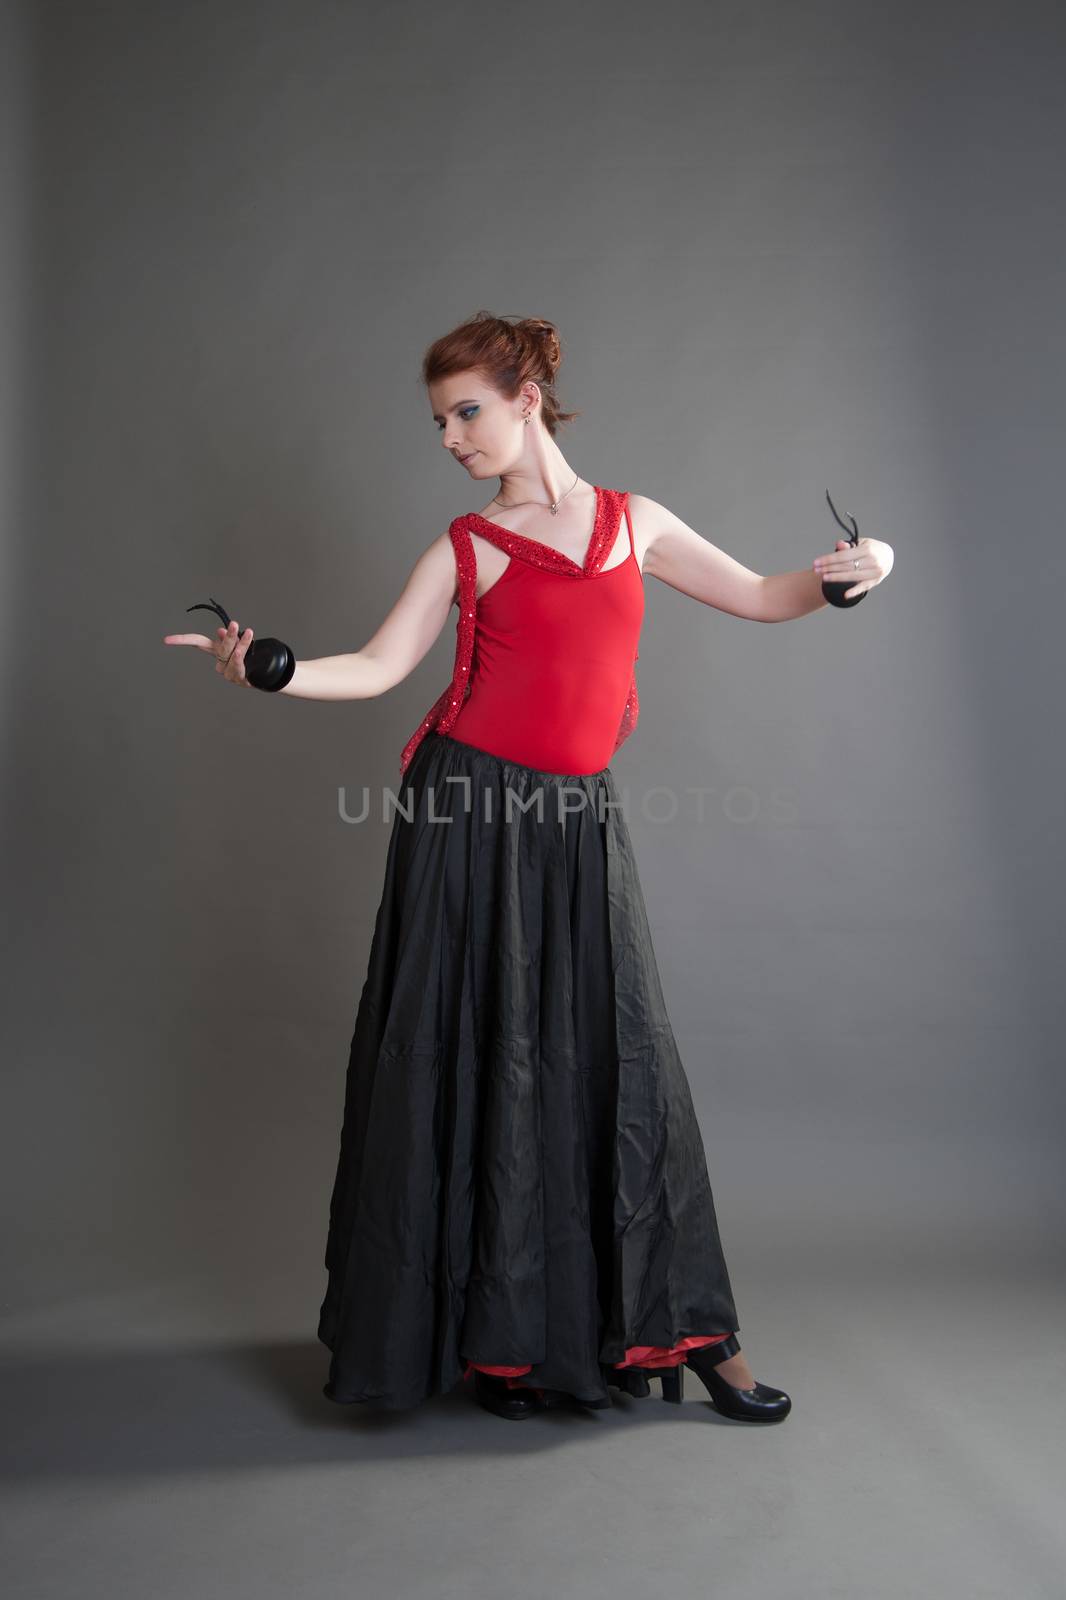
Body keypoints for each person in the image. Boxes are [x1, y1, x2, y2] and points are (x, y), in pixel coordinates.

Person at [164, 310, 894, 1424]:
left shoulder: (631, 520)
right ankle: (503, 1347)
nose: (453, 438)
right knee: (479, 1064)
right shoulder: (464, 546)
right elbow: (372, 667)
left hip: (575, 825)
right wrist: (266, 668)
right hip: (464, 819)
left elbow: (761, 593)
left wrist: (864, 567)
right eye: (438, 422)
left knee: (613, 1062)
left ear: (527, 396)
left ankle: (694, 1334)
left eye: (467, 411)